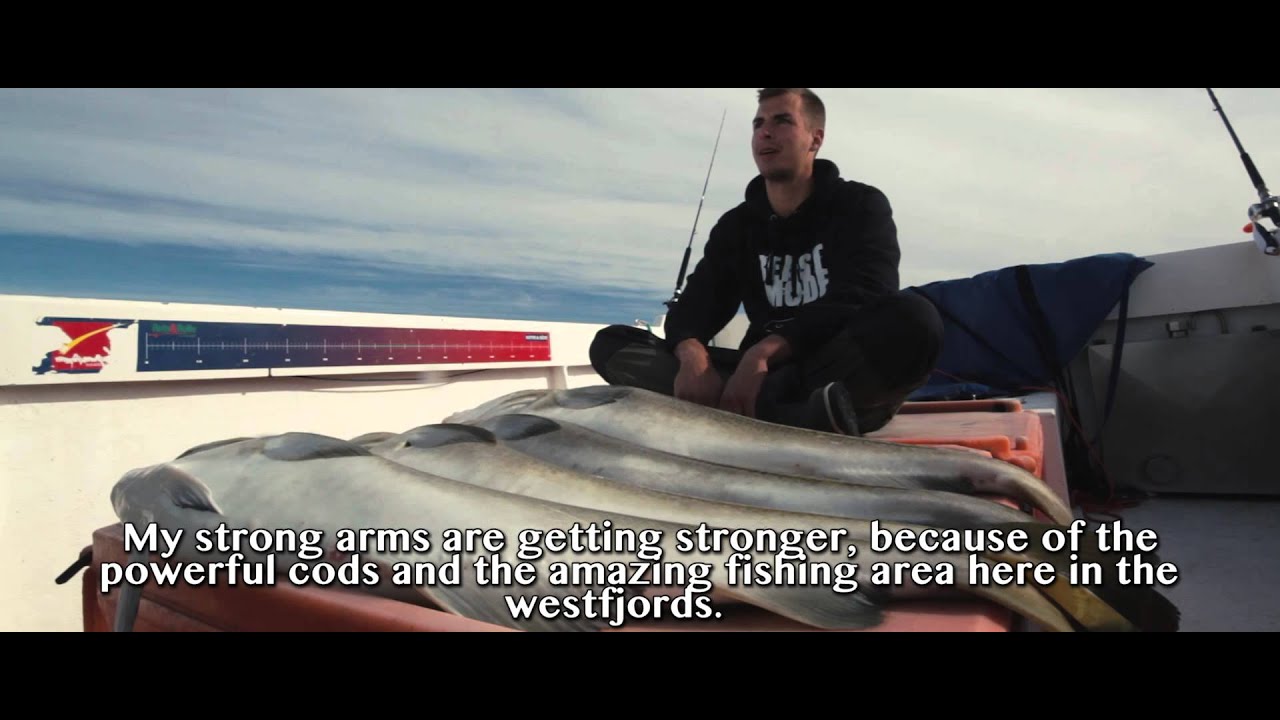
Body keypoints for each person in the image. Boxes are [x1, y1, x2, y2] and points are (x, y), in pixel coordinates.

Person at [589, 87, 943, 436]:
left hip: (829, 368)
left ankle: (760, 412)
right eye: (758, 124)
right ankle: (796, 415)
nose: (765, 132)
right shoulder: (737, 226)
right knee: (611, 344)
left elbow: (867, 293)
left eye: (782, 120)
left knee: (916, 320)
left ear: (815, 139)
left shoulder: (859, 205)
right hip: (758, 379)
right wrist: (692, 353)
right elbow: (697, 305)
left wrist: (764, 351)